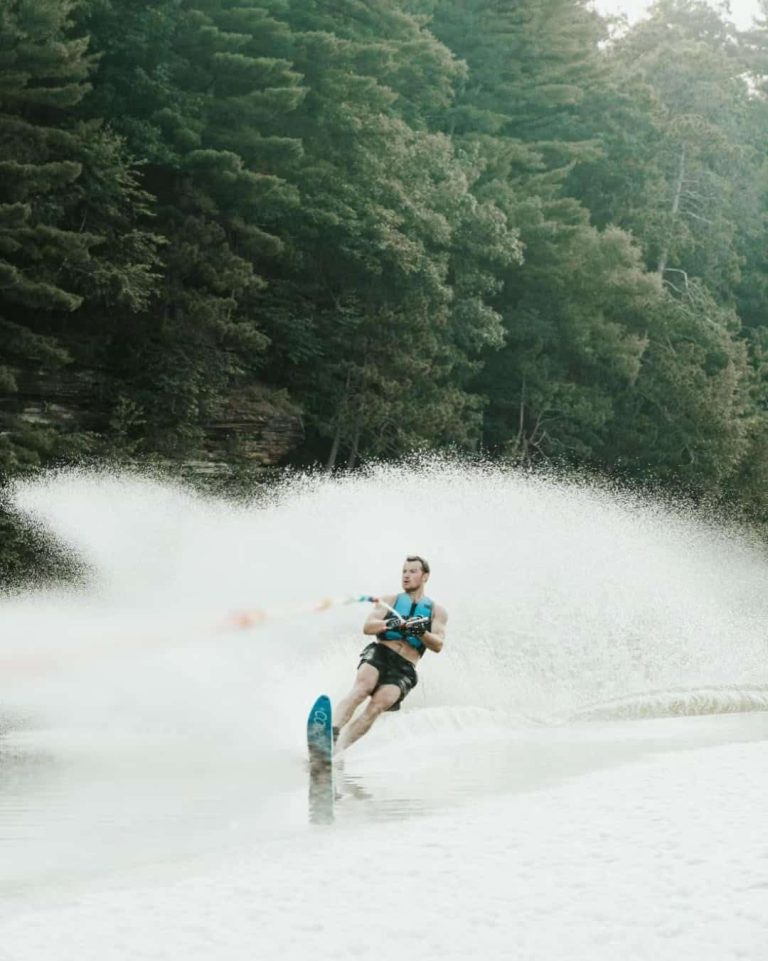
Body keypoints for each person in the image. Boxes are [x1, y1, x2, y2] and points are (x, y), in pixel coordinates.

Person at [333, 555, 447, 753]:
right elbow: (368, 627)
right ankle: (331, 732)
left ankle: (339, 749)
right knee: (362, 688)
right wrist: (391, 623)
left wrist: (420, 632)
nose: (406, 575)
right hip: (381, 653)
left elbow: (438, 644)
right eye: (404, 571)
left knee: (376, 706)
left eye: (412, 571)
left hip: (405, 668)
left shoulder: (437, 611)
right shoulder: (389, 600)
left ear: (425, 576)